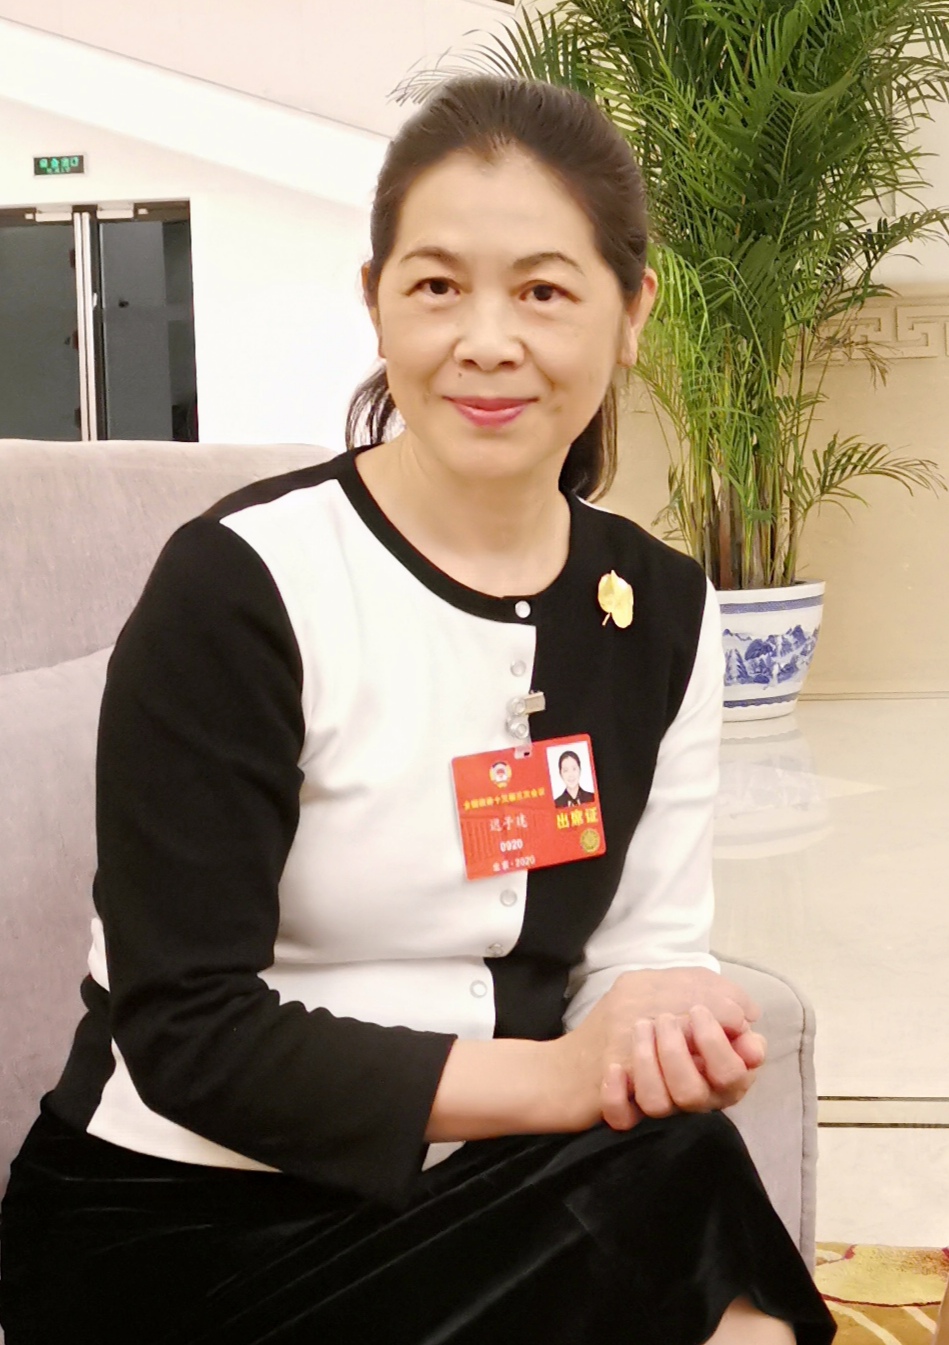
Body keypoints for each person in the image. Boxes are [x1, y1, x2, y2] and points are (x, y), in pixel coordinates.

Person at [0, 75, 837, 1345]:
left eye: (543, 292)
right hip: (180, 1223)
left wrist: (659, 1018)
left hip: (466, 1189)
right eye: (438, 285)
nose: (486, 340)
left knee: (684, 1169)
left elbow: (643, 944)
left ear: (631, 313)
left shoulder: (661, 609)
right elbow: (188, 1031)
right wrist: (562, 1078)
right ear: (377, 301)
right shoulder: (242, 583)